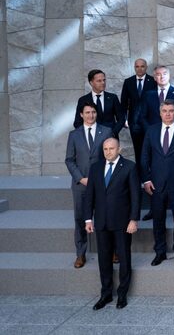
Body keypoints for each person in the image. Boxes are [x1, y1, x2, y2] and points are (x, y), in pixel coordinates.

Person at [84, 138, 140, 310]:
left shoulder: (129, 167)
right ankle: (106, 294)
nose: (108, 152)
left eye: (111, 148)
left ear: (119, 149)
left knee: (124, 258)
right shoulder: (95, 168)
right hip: (101, 222)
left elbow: (135, 196)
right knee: (104, 259)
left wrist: (133, 219)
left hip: (122, 222)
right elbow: (89, 196)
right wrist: (88, 219)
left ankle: (122, 294)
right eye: (105, 149)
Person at [140, 99, 174, 266]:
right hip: (156, 184)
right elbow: (144, 157)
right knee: (158, 219)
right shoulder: (152, 130)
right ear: (160, 112)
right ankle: (160, 252)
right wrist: (146, 179)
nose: (168, 114)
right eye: (165, 111)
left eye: (171, 110)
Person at [65, 102, 112, 269]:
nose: (91, 115)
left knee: (105, 217)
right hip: (81, 185)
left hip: (102, 184)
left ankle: (110, 250)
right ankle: (80, 253)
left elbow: (111, 156)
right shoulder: (74, 135)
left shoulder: (106, 131)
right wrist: (80, 178)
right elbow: (69, 160)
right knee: (80, 219)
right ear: (81, 115)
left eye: (93, 112)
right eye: (87, 112)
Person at [120, 58, 156, 177]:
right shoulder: (128, 82)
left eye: (142, 66)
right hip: (134, 122)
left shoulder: (153, 81)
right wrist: (124, 118)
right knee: (138, 148)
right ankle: (141, 176)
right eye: (137, 66)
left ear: (146, 67)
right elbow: (124, 102)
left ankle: (151, 174)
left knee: (151, 148)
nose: (139, 69)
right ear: (134, 68)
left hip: (149, 121)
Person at [73, 69, 125, 137]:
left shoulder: (113, 97)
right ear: (91, 83)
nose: (103, 83)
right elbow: (77, 122)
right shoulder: (83, 100)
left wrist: (113, 133)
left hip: (110, 138)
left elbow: (121, 119)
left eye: (104, 80)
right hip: (92, 139)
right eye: (99, 81)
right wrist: (87, 134)